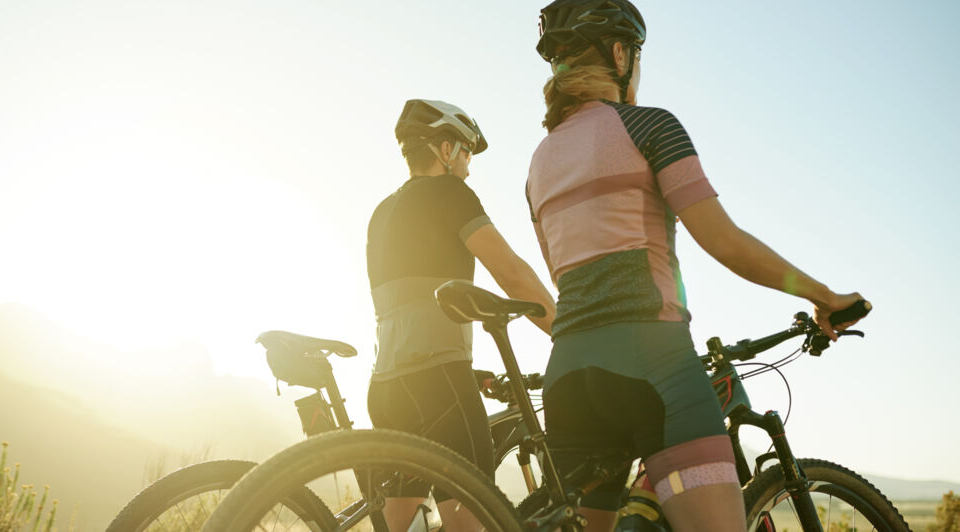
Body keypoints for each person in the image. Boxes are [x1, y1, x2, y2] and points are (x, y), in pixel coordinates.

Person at [526, 2, 866, 531]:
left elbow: (561, 275)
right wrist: (823, 295)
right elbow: (723, 240)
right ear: (620, 54)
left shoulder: (539, 162)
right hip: (652, 364)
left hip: (568, 378)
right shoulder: (650, 126)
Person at [366, 98, 556, 531]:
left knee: (403, 525)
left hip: (387, 387)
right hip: (439, 381)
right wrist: (564, 331)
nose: (469, 165)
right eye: (467, 152)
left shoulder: (381, 212)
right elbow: (512, 273)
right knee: (472, 518)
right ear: (445, 150)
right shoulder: (451, 192)